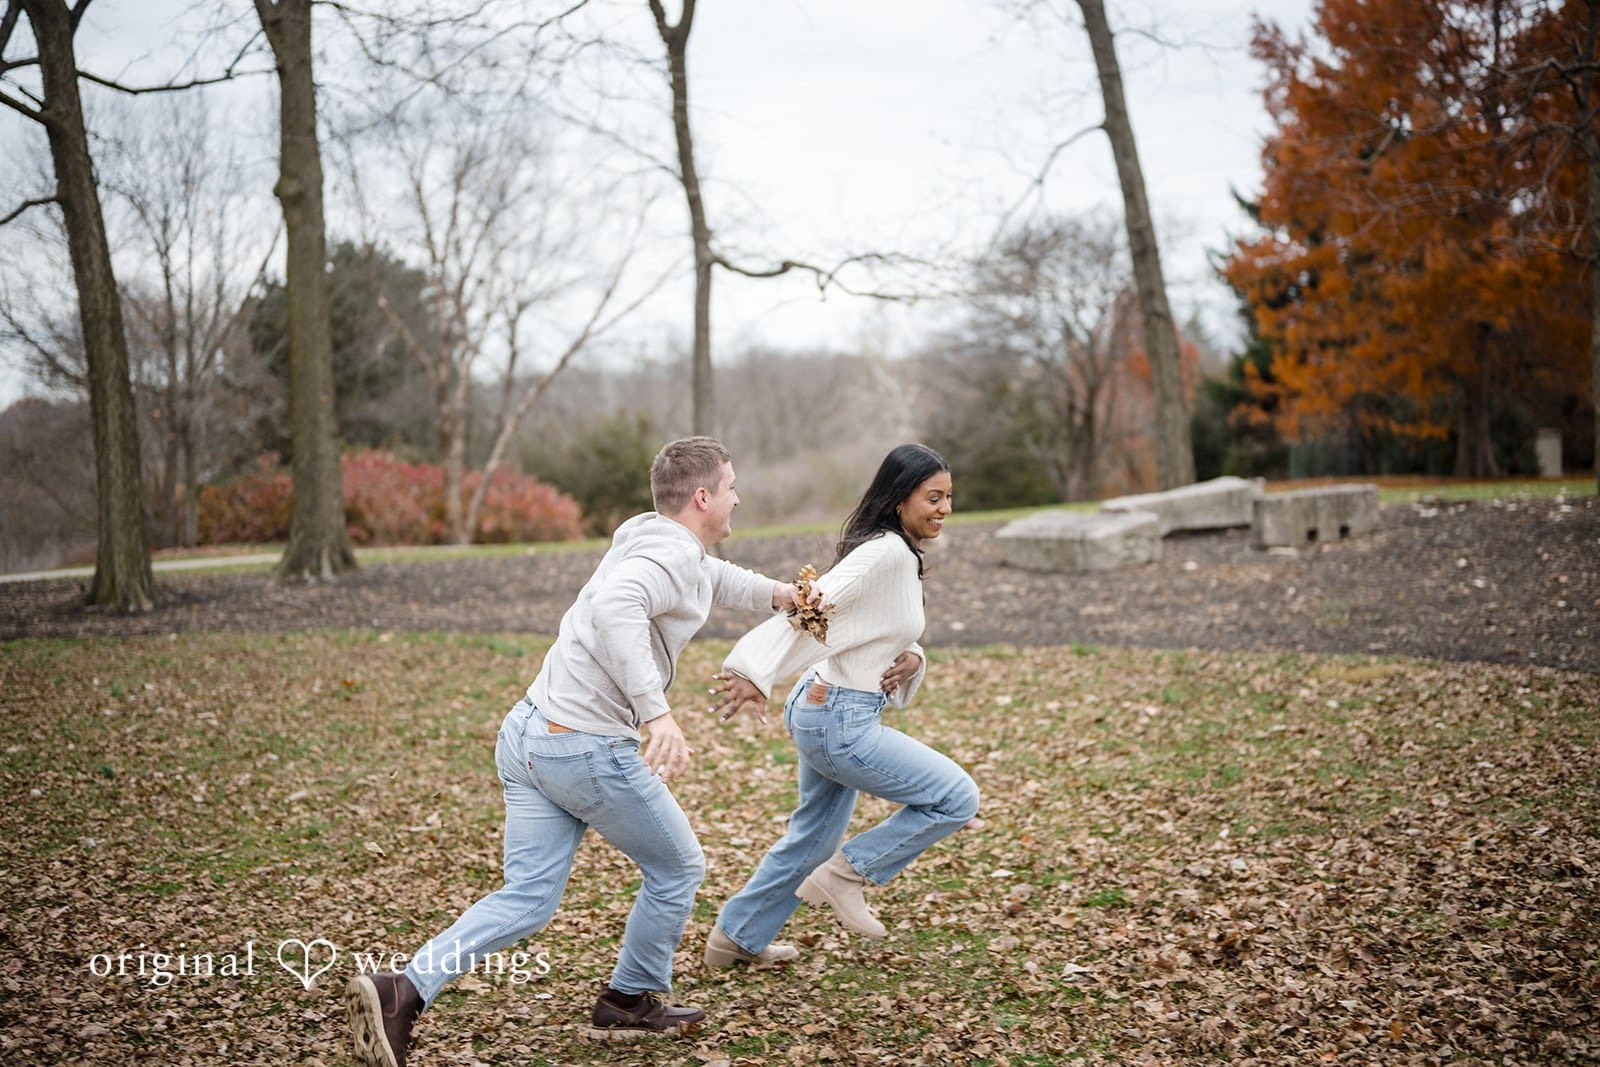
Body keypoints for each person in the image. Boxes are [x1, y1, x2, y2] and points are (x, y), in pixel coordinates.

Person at [346, 437, 819, 1065]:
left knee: (530, 897)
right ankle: (629, 1001)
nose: (739, 495)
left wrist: (780, 594)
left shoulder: (653, 538)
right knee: (678, 868)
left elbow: (709, 575)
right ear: (703, 497)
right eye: (731, 485)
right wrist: (657, 714)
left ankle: (401, 990)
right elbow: (617, 605)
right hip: (583, 749)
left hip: (530, 732)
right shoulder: (664, 558)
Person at [701, 443, 980, 970]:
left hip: (825, 703)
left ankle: (735, 939)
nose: (944, 509)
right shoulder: (886, 552)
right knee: (956, 797)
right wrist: (755, 668)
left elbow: (862, 626)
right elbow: (814, 604)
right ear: (900, 499)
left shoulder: (893, 550)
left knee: (812, 837)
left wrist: (913, 658)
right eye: (934, 497)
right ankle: (845, 876)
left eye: (949, 498)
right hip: (839, 720)